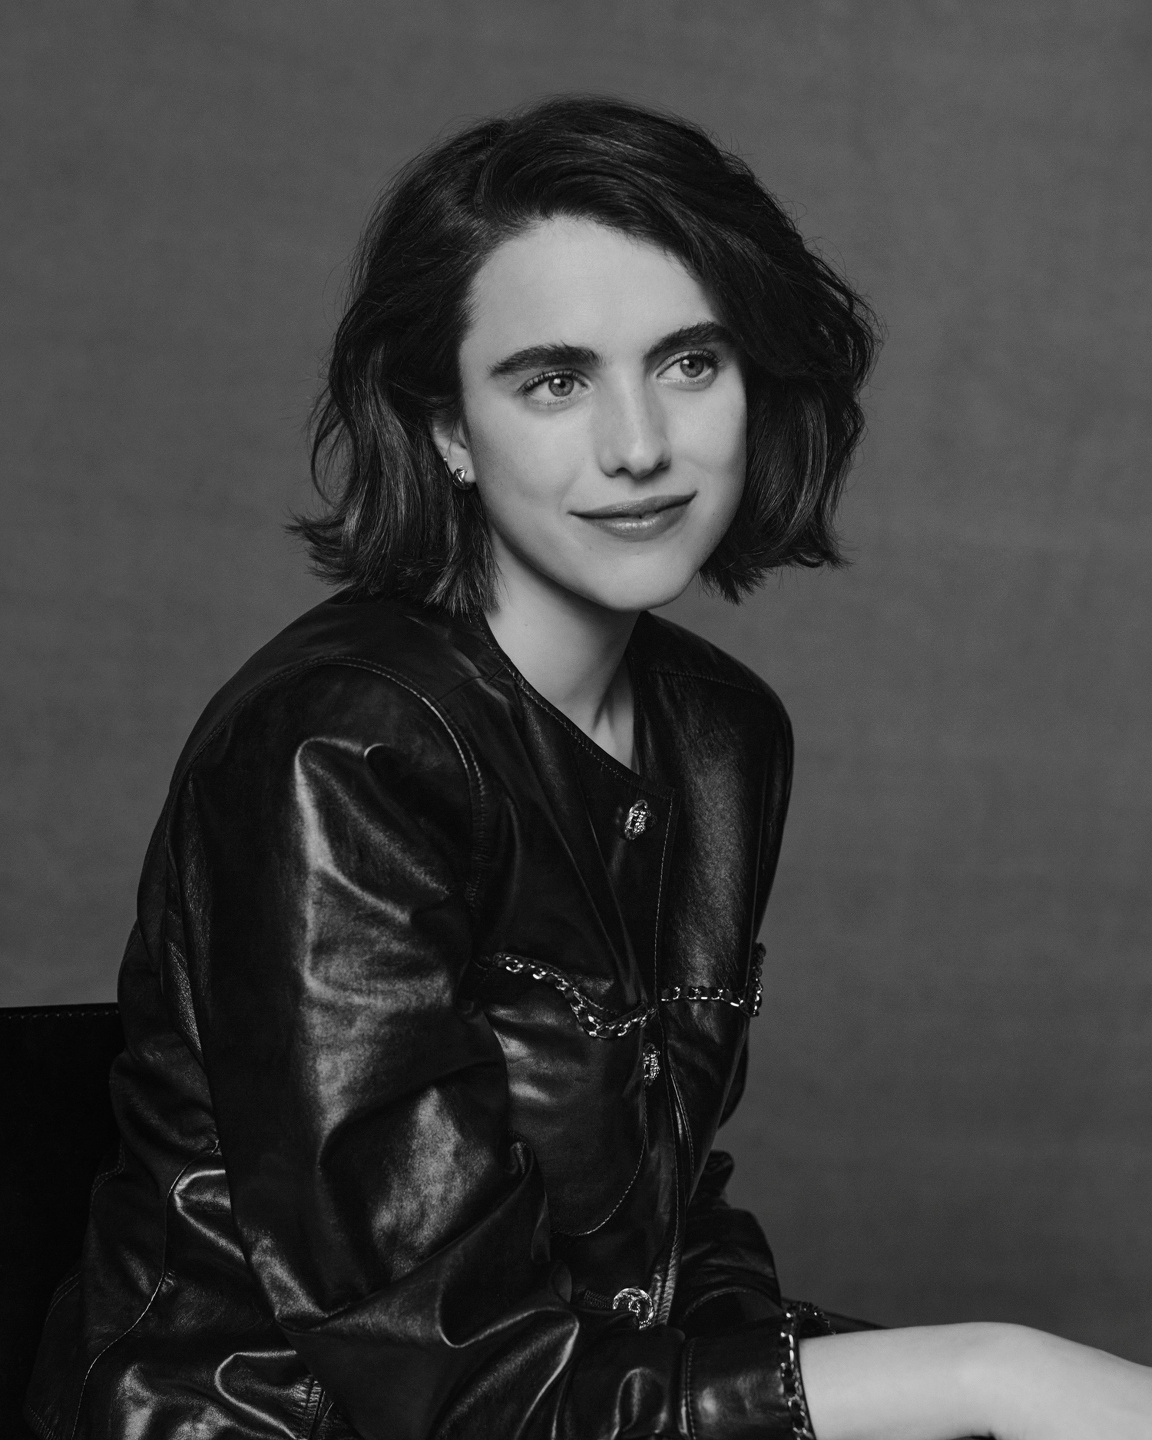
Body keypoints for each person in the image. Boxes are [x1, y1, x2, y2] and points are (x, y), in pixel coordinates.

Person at [25, 96, 1152, 1440]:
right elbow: (451, 1384)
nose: (638, 444)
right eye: (554, 381)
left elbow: (663, 1227)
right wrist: (985, 1373)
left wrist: (882, 1384)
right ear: (447, 428)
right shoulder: (340, 751)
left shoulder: (720, 734)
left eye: (689, 362)